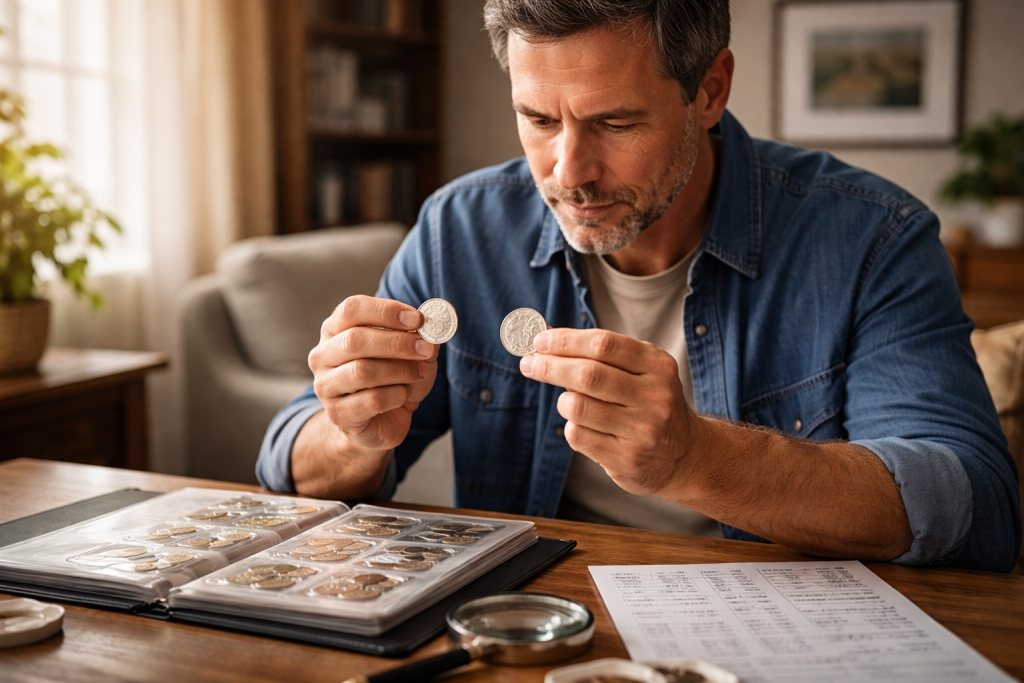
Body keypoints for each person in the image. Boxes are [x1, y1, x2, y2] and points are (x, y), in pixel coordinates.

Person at [257, 0, 1021, 572]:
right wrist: (352, 434)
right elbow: (286, 462)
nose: (568, 172)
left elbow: (977, 507)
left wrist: (698, 459)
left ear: (711, 89)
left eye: (616, 124)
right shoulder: (460, 228)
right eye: (537, 118)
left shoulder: (873, 236)